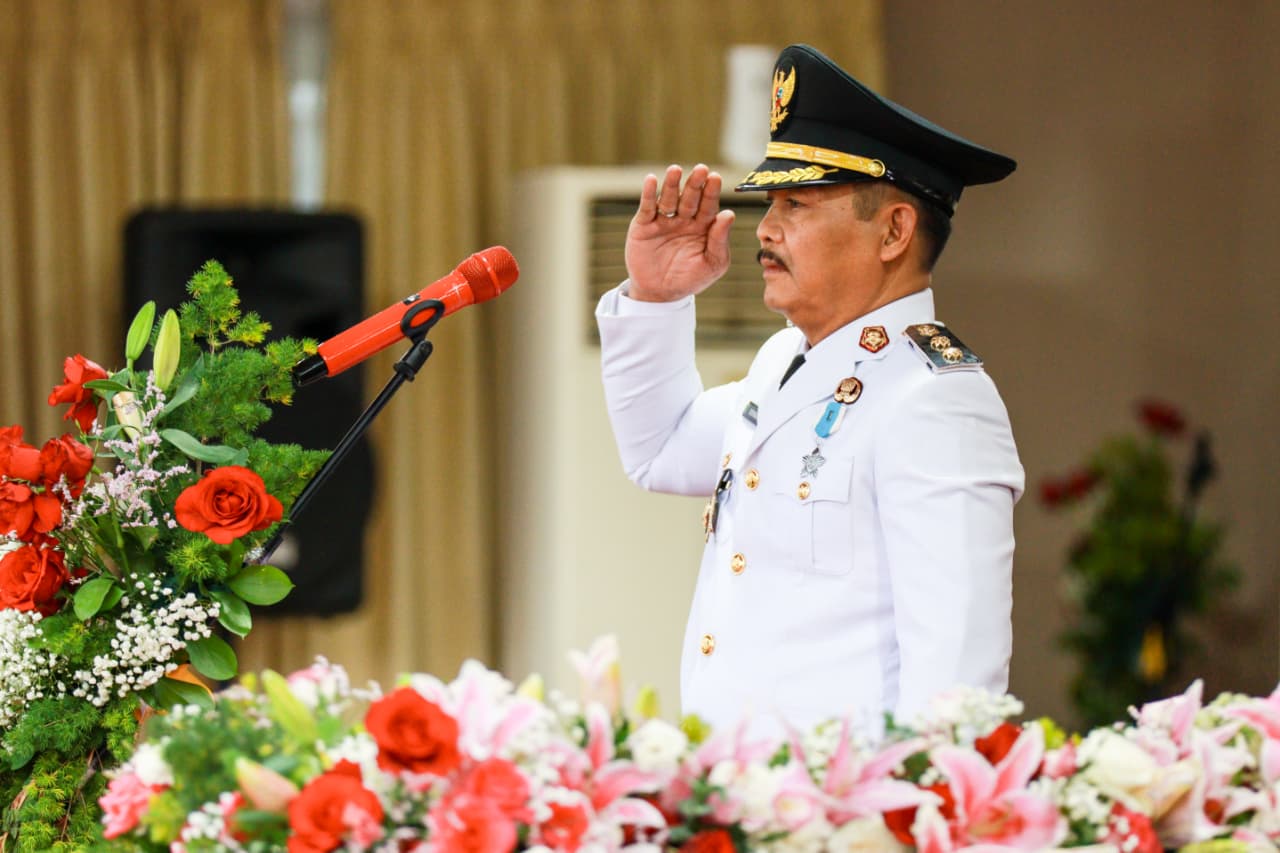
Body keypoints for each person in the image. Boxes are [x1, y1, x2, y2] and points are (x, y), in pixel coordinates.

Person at [595, 44, 1024, 735]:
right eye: (770, 201)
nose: (765, 227)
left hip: (845, 817)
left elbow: (956, 687)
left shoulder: (936, 399)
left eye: (797, 202)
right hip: (742, 799)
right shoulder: (785, 360)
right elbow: (661, 449)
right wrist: (654, 298)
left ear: (893, 231)